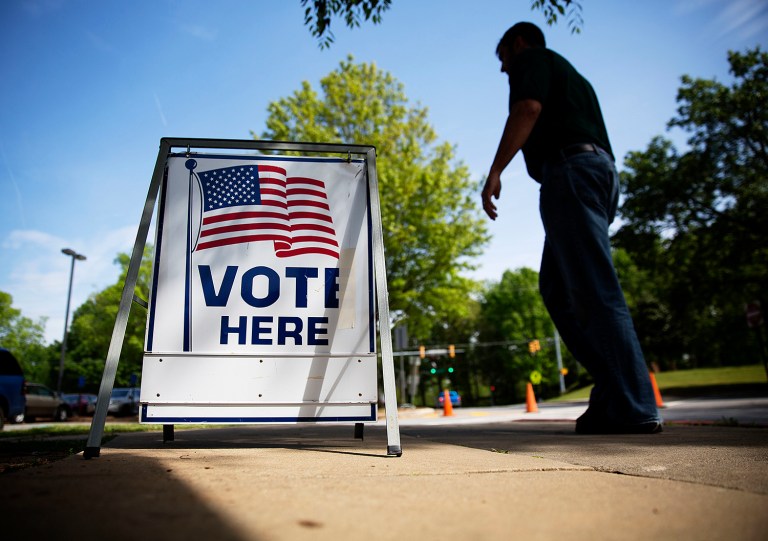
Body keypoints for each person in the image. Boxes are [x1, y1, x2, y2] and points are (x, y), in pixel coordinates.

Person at [481, 22, 662, 434]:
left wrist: (495, 170)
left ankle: (634, 405)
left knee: (596, 288)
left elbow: (527, 108)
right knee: (559, 290)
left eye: (503, 58)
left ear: (519, 43)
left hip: (571, 173)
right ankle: (613, 393)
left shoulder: (534, 59)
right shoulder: (571, 75)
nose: (504, 69)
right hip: (595, 172)